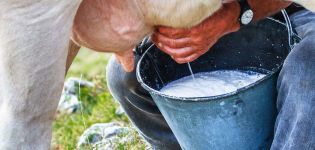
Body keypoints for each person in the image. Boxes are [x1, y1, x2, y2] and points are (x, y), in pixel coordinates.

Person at [107, 1, 315, 149]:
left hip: (301, 10)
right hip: (213, 11)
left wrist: (235, 14)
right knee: (124, 75)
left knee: (305, 69)